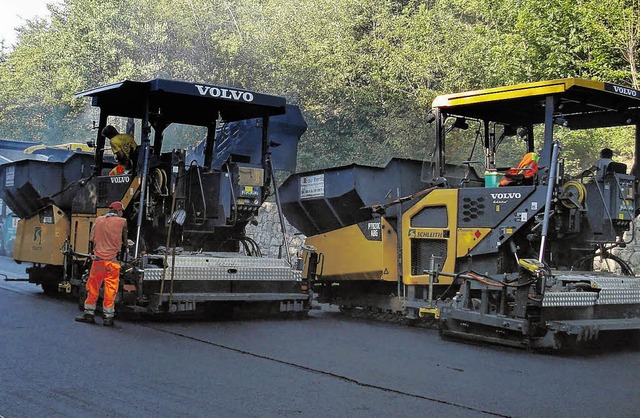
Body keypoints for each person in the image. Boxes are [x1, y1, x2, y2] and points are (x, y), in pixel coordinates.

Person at [76, 201, 128, 326]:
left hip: (98, 261)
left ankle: (89, 314)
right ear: (119, 211)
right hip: (113, 262)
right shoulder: (122, 222)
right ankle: (108, 318)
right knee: (110, 289)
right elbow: (125, 242)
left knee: (93, 287)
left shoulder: (98, 220)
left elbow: (91, 238)